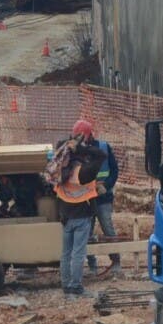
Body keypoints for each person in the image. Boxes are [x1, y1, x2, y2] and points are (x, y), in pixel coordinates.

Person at [54, 128, 107, 298]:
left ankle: (66, 285)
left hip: (65, 216)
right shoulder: (84, 172)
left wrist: (69, 145)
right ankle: (75, 287)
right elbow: (101, 155)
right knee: (78, 253)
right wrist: (84, 148)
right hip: (82, 216)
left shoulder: (60, 172)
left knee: (66, 253)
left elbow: (59, 146)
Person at [80, 120, 123, 277]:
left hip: (103, 198)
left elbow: (114, 170)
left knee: (108, 228)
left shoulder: (104, 147)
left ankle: (116, 262)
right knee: (87, 232)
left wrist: (107, 185)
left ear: (90, 134)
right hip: (86, 199)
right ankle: (92, 266)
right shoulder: (78, 152)